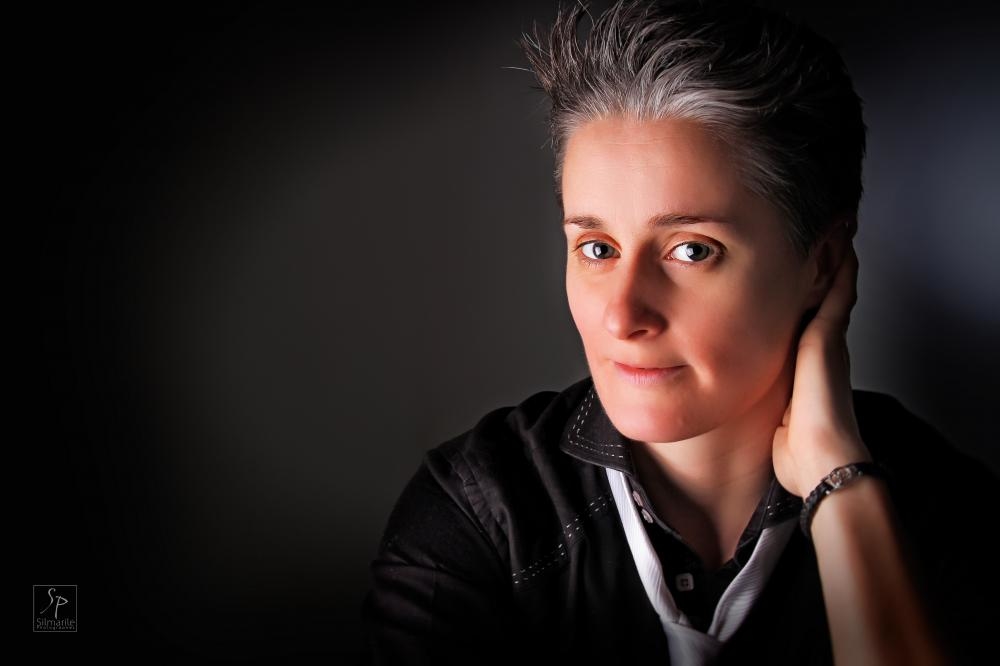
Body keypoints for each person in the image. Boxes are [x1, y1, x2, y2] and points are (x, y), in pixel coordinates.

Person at [360, 1, 999, 664]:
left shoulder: (944, 509)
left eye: (691, 250)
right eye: (597, 248)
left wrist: (841, 488)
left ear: (824, 264)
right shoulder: (478, 517)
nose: (622, 316)